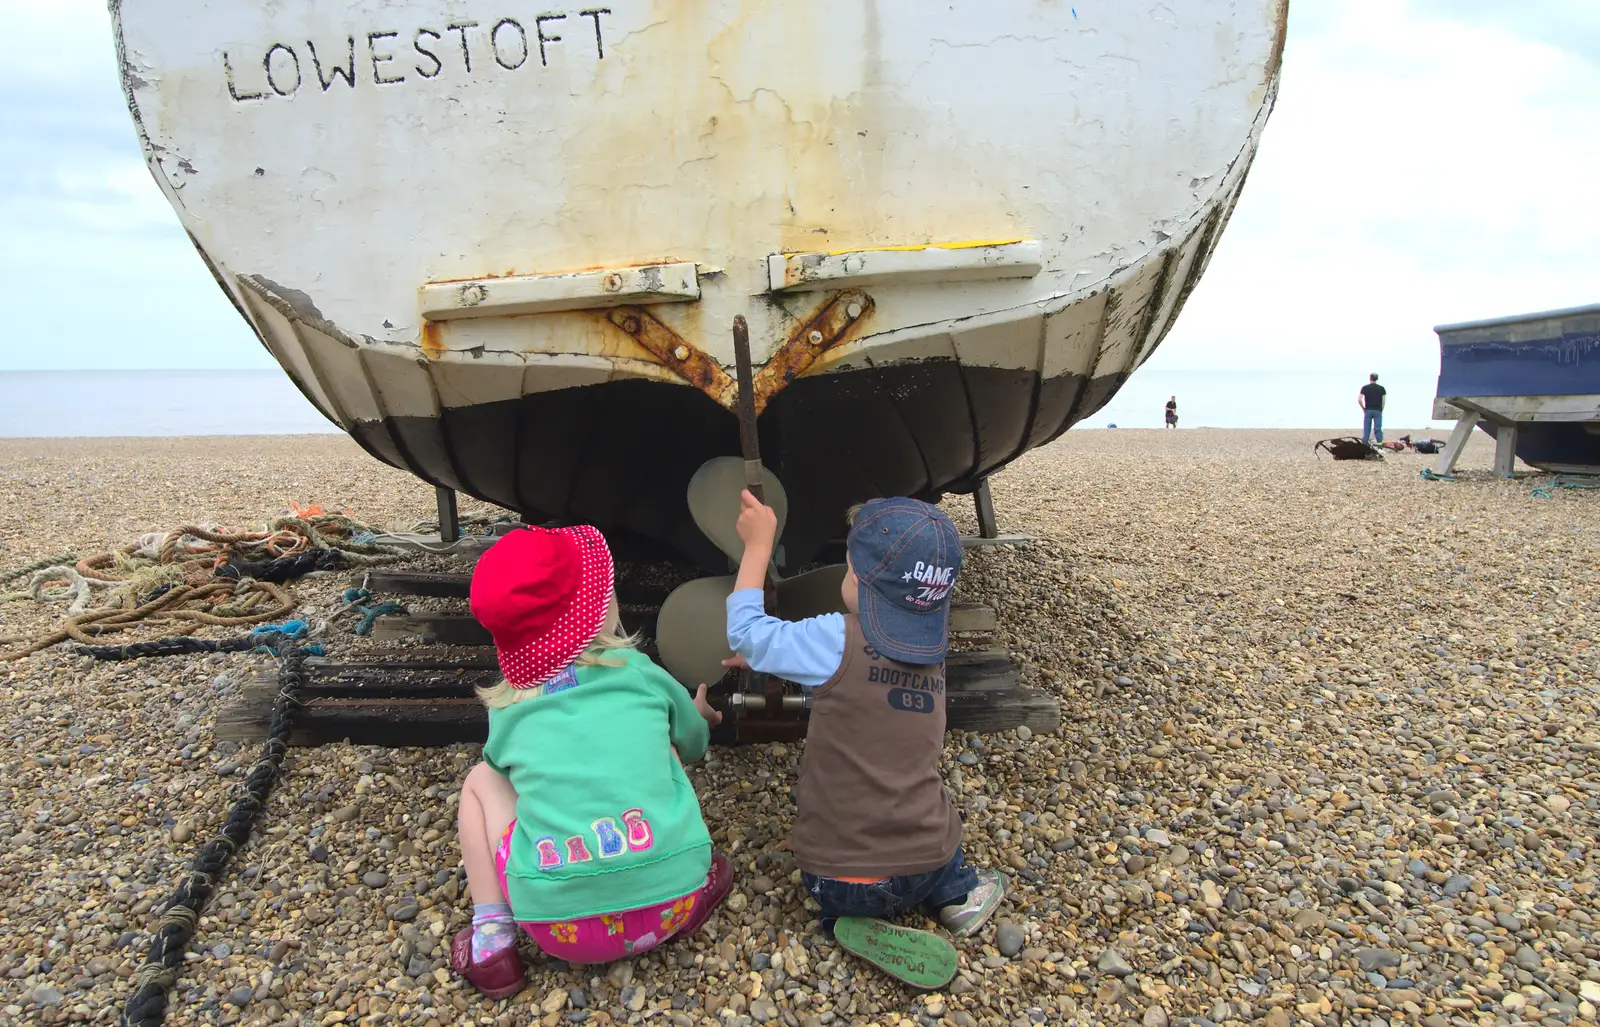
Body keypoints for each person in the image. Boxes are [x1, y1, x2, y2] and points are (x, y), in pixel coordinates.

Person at [450, 525, 731, 999]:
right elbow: (693, 741)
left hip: (556, 928)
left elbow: (501, 767)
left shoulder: (508, 705)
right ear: (601, 607)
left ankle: (492, 943)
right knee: (662, 744)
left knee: (481, 780)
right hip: (672, 904)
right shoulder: (639, 673)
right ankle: (685, 876)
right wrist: (699, 716)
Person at [722, 492, 1005, 957]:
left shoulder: (834, 637)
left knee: (849, 853)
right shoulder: (932, 647)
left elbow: (748, 633)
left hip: (837, 881)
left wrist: (757, 547)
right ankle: (958, 896)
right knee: (927, 797)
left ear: (857, 576)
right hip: (926, 864)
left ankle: (849, 920)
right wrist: (785, 655)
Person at [1359, 373, 1387, 445]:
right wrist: (1381, 409)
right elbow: (1383, 401)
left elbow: (1359, 399)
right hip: (1378, 410)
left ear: (1370, 378)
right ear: (1377, 379)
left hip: (1368, 410)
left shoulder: (1365, 388)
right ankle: (1379, 446)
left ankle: (1364, 445)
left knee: (1366, 430)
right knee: (1378, 429)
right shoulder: (1381, 388)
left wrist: (1363, 408)